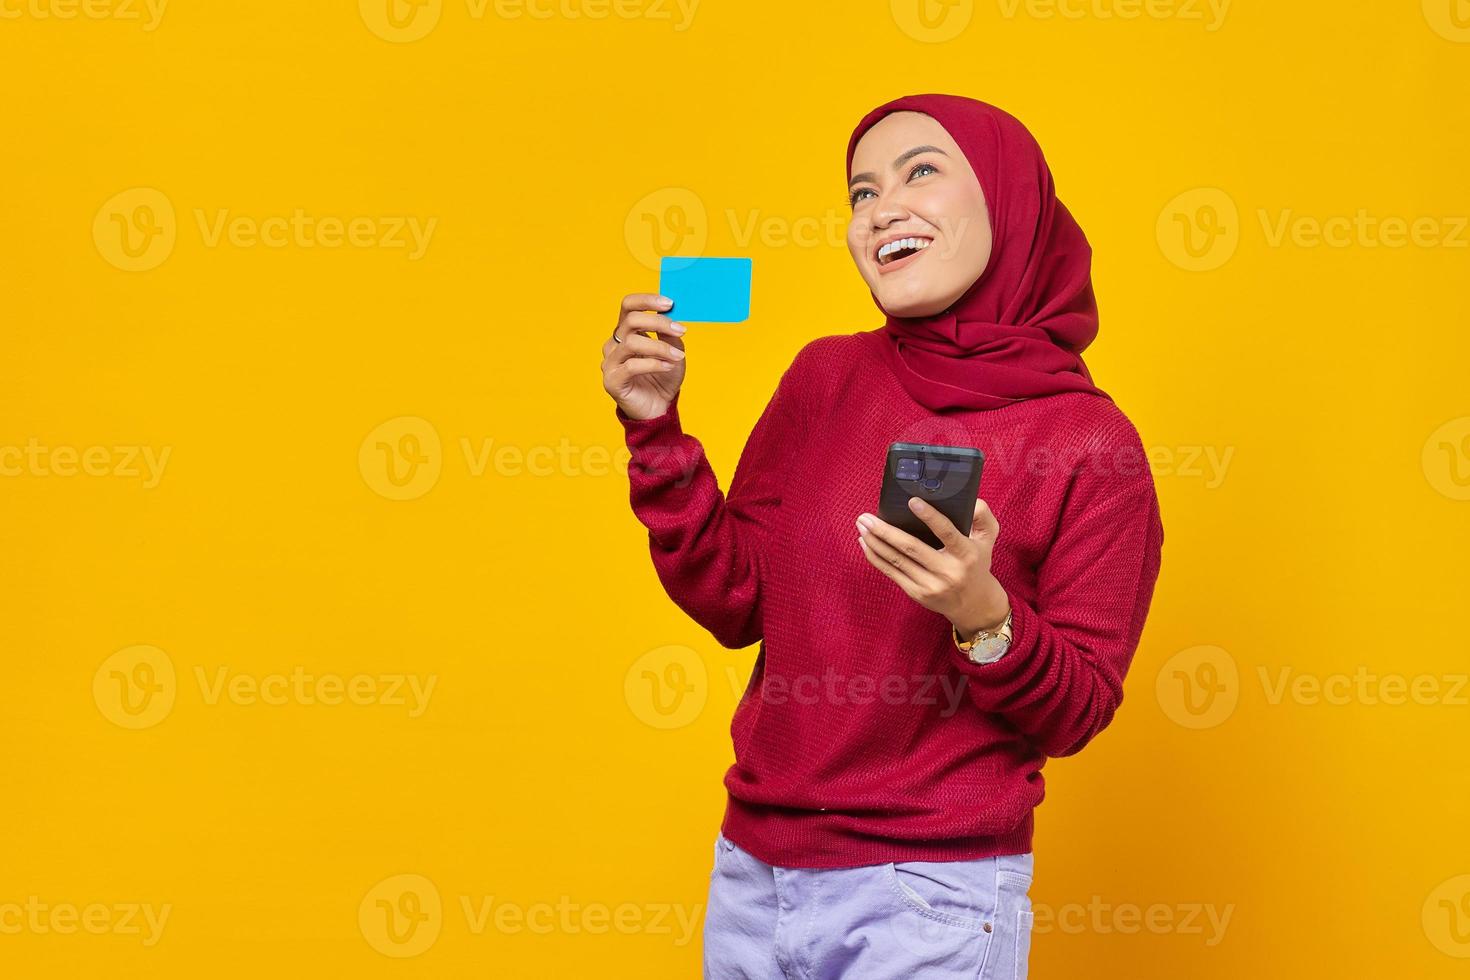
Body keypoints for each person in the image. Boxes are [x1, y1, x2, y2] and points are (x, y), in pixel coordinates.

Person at [599, 93, 1165, 979]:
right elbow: (735, 596)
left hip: (931, 897)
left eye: (922, 172)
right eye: (861, 193)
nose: (881, 208)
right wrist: (655, 430)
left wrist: (982, 613)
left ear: (1009, 200)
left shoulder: (1092, 445)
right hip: (755, 877)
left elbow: (1078, 710)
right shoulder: (826, 376)